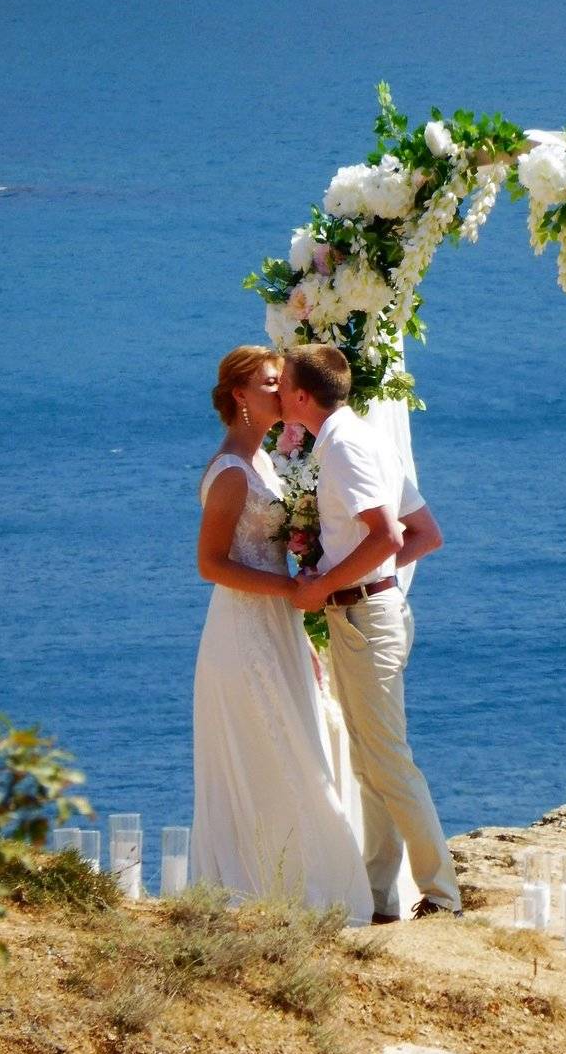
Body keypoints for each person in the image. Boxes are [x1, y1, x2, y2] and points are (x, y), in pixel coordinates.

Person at [278, 344, 462, 923]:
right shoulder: (364, 439)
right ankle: (380, 897)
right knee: (369, 762)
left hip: (363, 616)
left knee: (387, 760)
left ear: (302, 395)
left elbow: (387, 536)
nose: (277, 391)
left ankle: (442, 895)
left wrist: (328, 584)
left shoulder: (343, 447)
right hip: (368, 611)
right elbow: (425, 534)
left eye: (282, 383)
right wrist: (362, 579)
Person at [191, 345, 372, 923]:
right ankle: (273, 886)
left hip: (278, 623)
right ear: (240, 395)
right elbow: (211, 564)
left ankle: (296, 879)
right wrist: (292, 590)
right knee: (272, 751)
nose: (281, 389)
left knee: (298, 742)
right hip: (243, 633)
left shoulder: (264, 463)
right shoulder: (230, 473)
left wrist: (301, 614)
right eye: (270, 382)